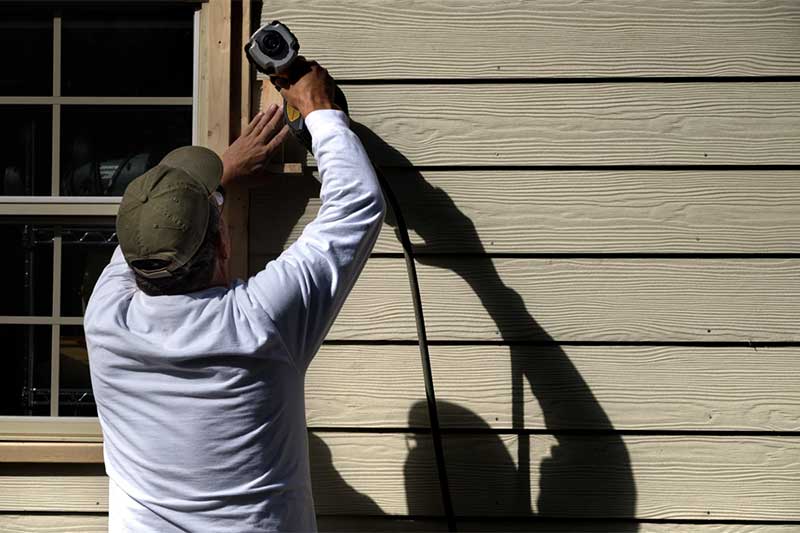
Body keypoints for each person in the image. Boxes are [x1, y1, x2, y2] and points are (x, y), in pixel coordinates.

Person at [84, 60, 386, 532]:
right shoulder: (260, 322)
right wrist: (320, 109)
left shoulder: (104, 316)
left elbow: (150, 241)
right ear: (223, 243)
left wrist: (220, 174)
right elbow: (356, 205)